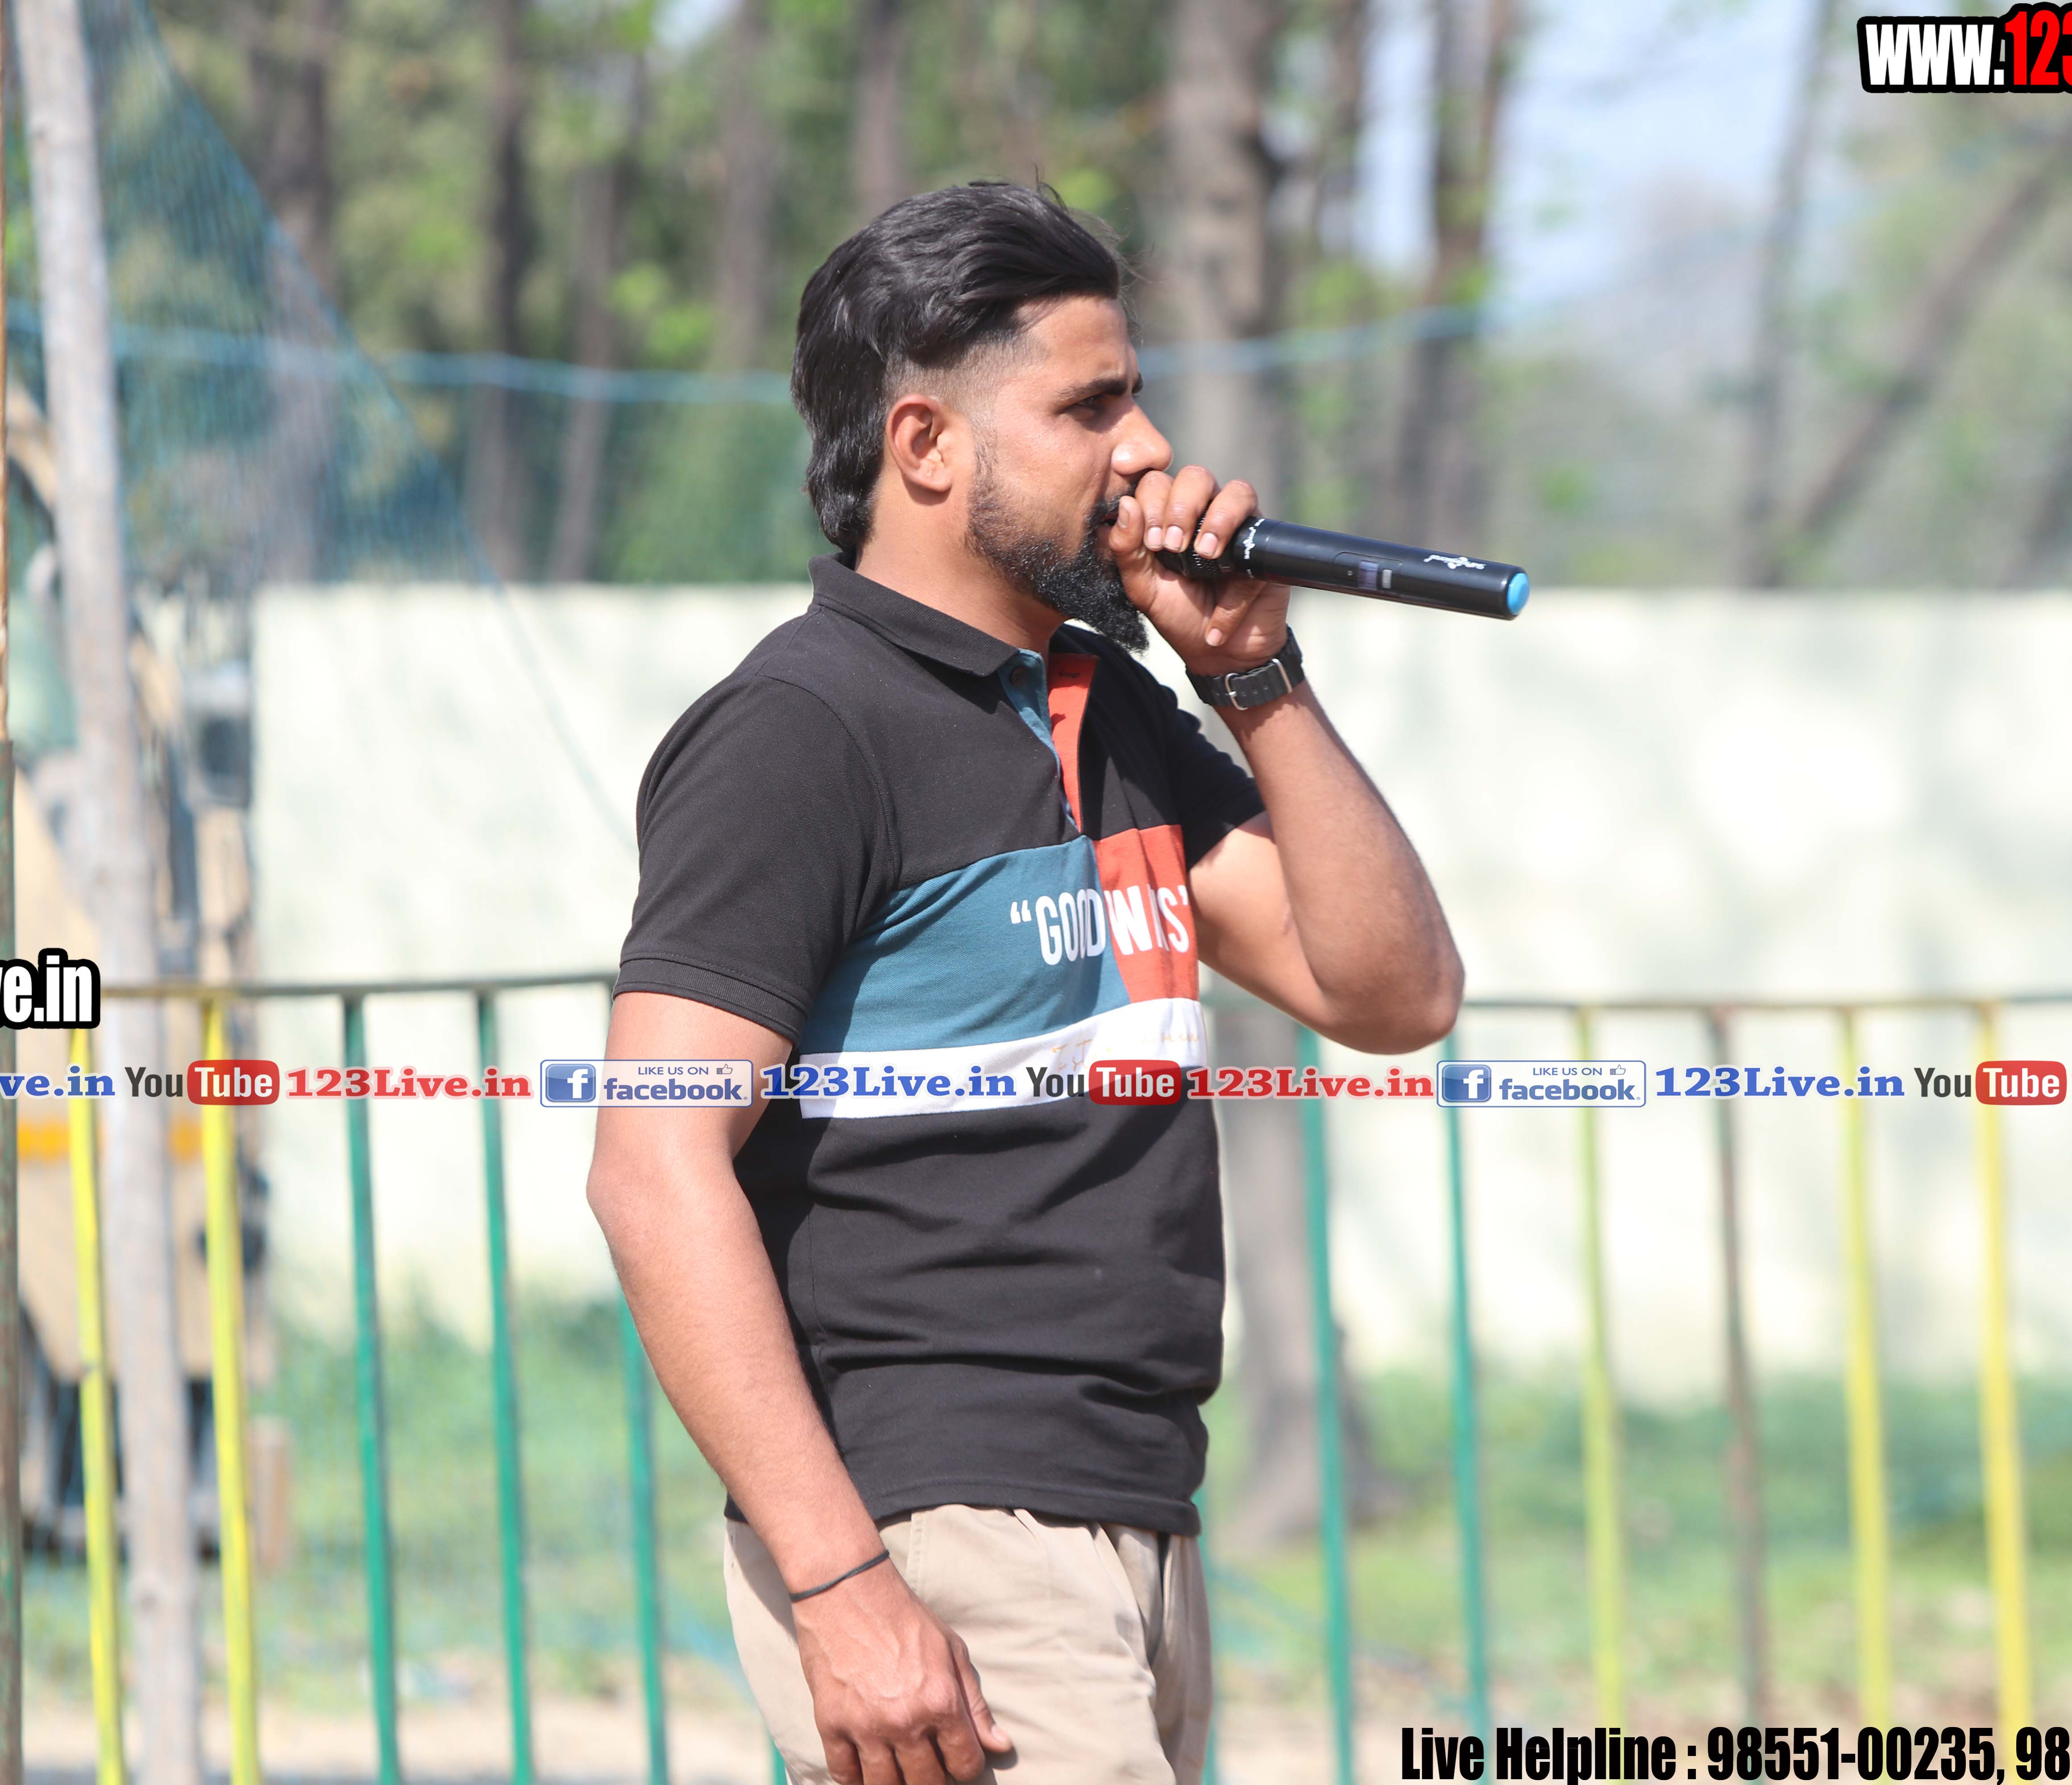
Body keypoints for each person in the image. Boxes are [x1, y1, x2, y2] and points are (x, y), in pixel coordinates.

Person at [586, 182, 1462, 1785]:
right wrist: (842, 1588)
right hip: (947, 1530)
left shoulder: (1106, 708)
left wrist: (1253, 672)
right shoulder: (802, 732)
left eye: (1136, 396)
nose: (1148, 449)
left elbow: (1391, 994)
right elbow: (653, 1164)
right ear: (926, 444)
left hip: (1134, 1500)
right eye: (1091, 405)